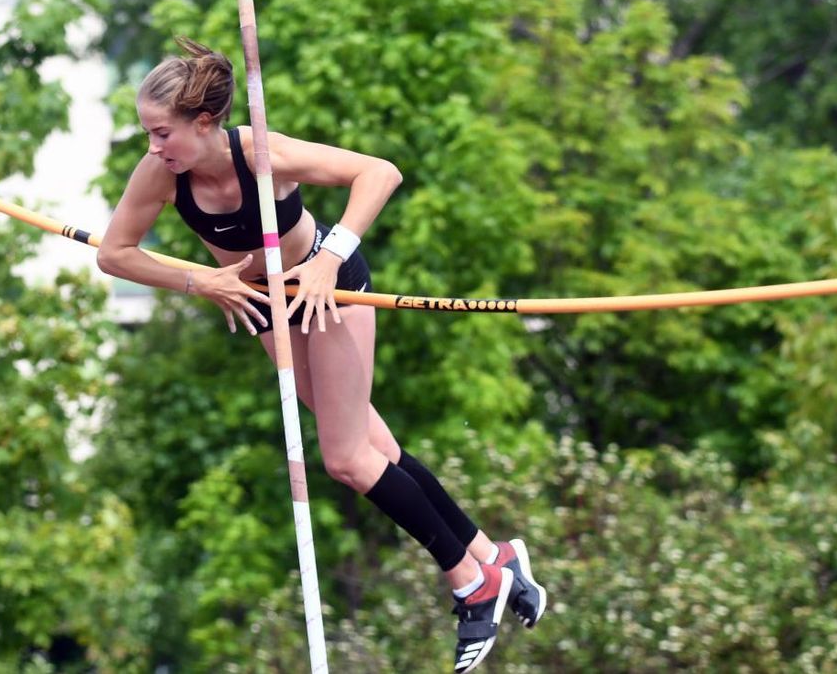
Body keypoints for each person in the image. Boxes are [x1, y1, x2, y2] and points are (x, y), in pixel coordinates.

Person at [96, 37, 548, 672]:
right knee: (373, 446)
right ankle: (492, 556)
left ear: (204, 123)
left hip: (324, 291)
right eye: (148, 133)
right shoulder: (160, 176)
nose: (154, 147)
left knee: (344, 458)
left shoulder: (259, 152)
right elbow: (114, 254)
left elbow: (379, 172)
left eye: (162, 132)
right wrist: (205, 280)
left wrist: (330, 256)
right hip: (263, 302)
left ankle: (474, 585)